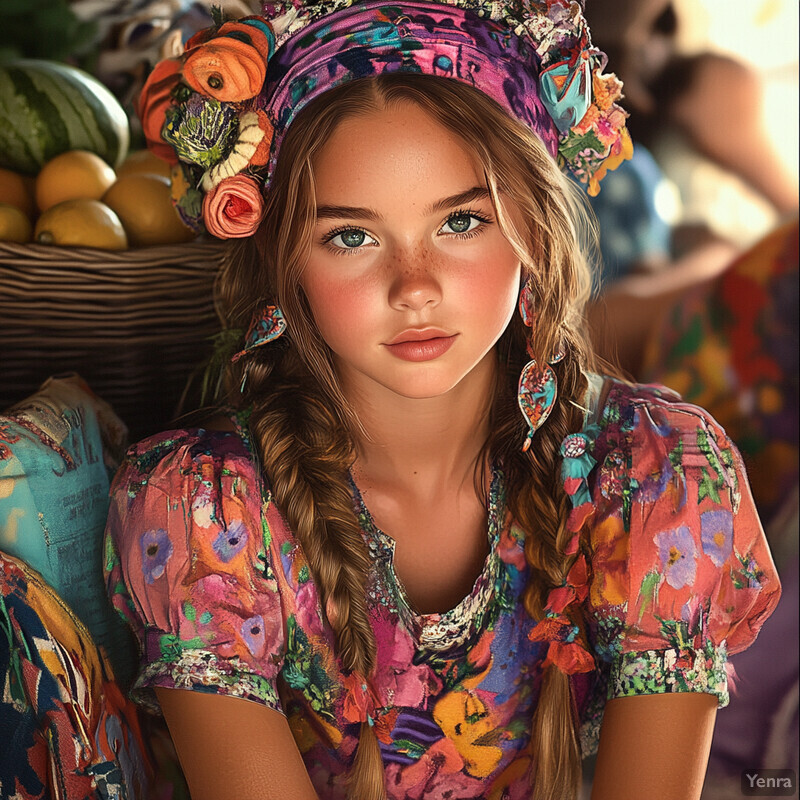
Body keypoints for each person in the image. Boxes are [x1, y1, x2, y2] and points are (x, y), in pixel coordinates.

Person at [103, 2, 781, 799]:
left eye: (460, 221)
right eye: (351, 236)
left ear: (531, 228)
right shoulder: (202, 511)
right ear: (287, 261)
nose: (414, 287)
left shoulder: (656, 477)